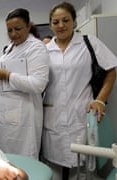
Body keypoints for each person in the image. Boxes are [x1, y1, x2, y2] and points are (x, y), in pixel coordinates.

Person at [42, 2, 117, 179]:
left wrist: (100, 100)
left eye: (65, 20)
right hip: (53, 117)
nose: (61, 26)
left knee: (84, 170)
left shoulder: (89, 42)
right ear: (51, 24)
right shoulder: (44, 50)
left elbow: (111, 70)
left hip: (82, 114)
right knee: (53, 170)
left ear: (74, 21)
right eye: (55, 22)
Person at [0, 8, 49, 159]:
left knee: (24, 159)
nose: (13, 34)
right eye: (9, 30)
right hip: (6, 116)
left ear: (29, 26)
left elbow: (38, 84)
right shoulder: (11, 47)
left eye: (18, 29)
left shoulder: (36, 47)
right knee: (7, 159)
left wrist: (6, 75)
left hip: (24, 116)